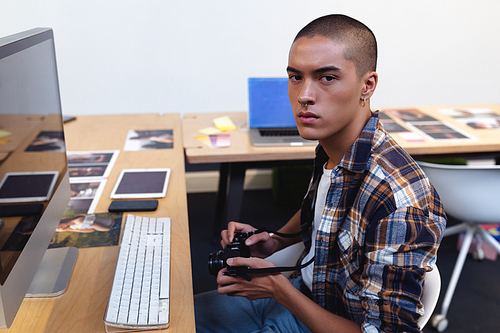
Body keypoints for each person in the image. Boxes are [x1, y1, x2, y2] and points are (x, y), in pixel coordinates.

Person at [195, 14, 446, 333]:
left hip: (323, 316)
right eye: (295, 77)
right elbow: (326, 207)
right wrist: (273, 243)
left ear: (367, 85)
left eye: (326, 78)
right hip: (303, 293)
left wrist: (278, 289)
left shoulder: (400, 203)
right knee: (170, 318)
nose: (303, 96)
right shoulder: (335, 147)